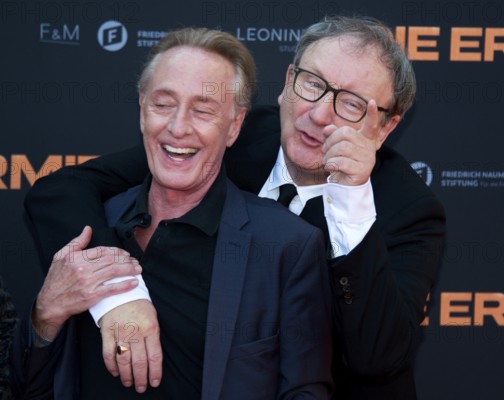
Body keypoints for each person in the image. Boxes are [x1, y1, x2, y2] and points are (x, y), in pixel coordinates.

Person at [23, 16, 445, 399]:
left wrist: (353, 201)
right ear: (287, 81)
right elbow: (63, 191)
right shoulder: (227, 134)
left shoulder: (409, 209)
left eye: (352, 103)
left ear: (386, 127)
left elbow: (376, 360)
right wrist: (119, 291)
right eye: (312, 84)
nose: (318, 115)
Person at [10, 27, 332, 399]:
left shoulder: (286, 245)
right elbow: (27, 388)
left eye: (203, 110)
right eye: (164, 104)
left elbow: (305, 391)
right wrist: (45, 316)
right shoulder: (91, 227)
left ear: (235, 126)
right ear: (142, 109)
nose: (179, 128)